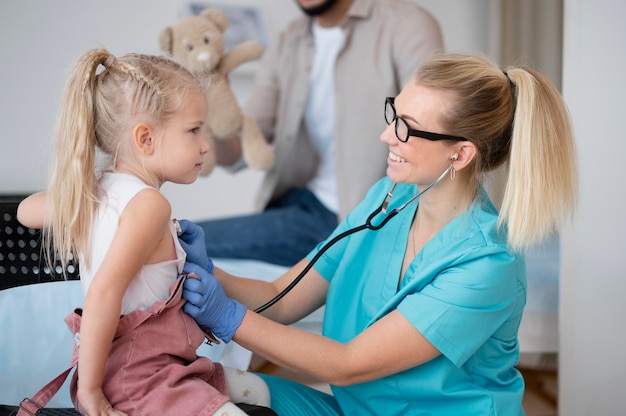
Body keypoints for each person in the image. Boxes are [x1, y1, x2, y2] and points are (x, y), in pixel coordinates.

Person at [177, 53, 578, 415]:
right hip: (356, 411)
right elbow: (281, 297)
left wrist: (229, 318)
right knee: (199, 387)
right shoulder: (385, 202)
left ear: (460, 154)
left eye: (408, 128)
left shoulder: (487, 264)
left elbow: (347, 364)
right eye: (394, 115)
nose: (387, 135)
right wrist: (209, 271)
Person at [16, 49, 271, 416]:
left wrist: (81, 192)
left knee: (256, 390)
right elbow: (105, 290)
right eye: (194, 130)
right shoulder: (150, 205)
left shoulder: (99, 194)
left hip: (151, 366)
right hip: (140, 377)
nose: (204, 145)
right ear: (145, 139)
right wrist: (89, 392)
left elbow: (27, 212)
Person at [196, 0, 443, 266]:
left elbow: (430, 128)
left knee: (185, 243)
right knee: (181, 238)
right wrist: (215, 106)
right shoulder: (289, 40)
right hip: (298, 205)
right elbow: (239, 152)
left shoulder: (406, 24)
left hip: (356, 219)